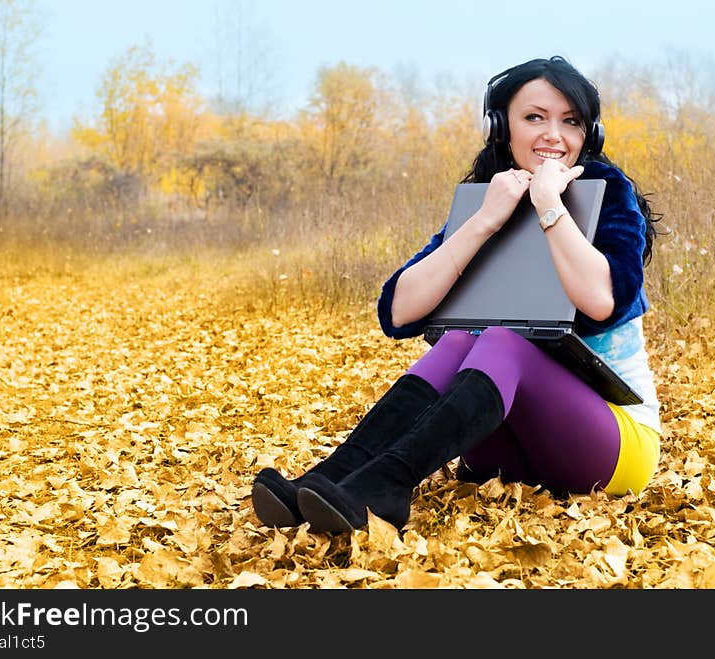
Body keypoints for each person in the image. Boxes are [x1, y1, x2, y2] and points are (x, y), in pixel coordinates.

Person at [251, 55, 663, 533]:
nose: (554, 134)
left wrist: (549, 204)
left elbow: (602, 303)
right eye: (535, 117)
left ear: (589, 135)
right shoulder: (489, 198)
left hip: (612, 445)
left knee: (505, 340)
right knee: (457, 342)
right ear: (501, 128)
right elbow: (398, 311)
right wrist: (485, 221)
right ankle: (331, 478)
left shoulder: (607, 194)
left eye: (570, 121)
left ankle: (387, 484)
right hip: (506, 447)